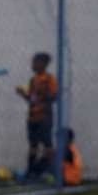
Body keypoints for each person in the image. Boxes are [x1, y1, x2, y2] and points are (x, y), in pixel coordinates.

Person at [15, 51, 58, 180]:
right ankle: (31, 171)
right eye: (32, 62)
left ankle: (51, 171)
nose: (32, 65)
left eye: (35, 62)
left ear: (43, 64)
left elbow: (54, 96)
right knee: (33, 145)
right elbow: (32, 100)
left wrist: (42, 96)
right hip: (32, 117)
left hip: (44, 117)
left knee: (47, 145)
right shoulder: (33, 80)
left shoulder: (50, 79)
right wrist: (23, 94)